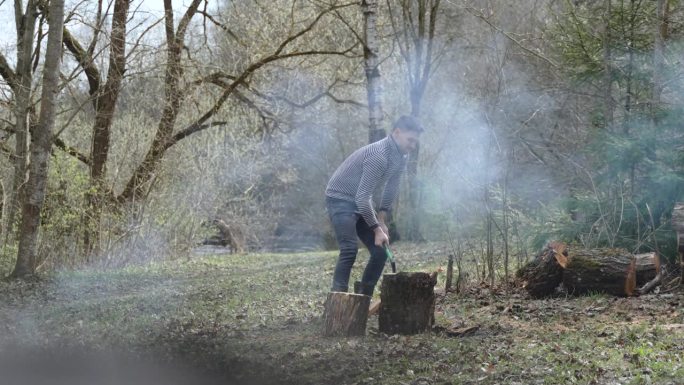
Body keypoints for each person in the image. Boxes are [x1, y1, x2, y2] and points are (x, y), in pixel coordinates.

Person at [325, 115, 423, 296]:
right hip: (340, 198)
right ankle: (337, 301)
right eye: (410, 140)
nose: (412, 146)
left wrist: (382, 219)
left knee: (380, 252)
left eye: (415, 142)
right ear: (397, 133)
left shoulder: (402, 156)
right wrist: (377, 229)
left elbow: (392, 187)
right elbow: (363, 197)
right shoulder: (378, 155)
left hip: (360, 200)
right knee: (349, 250)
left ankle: (363, 298)